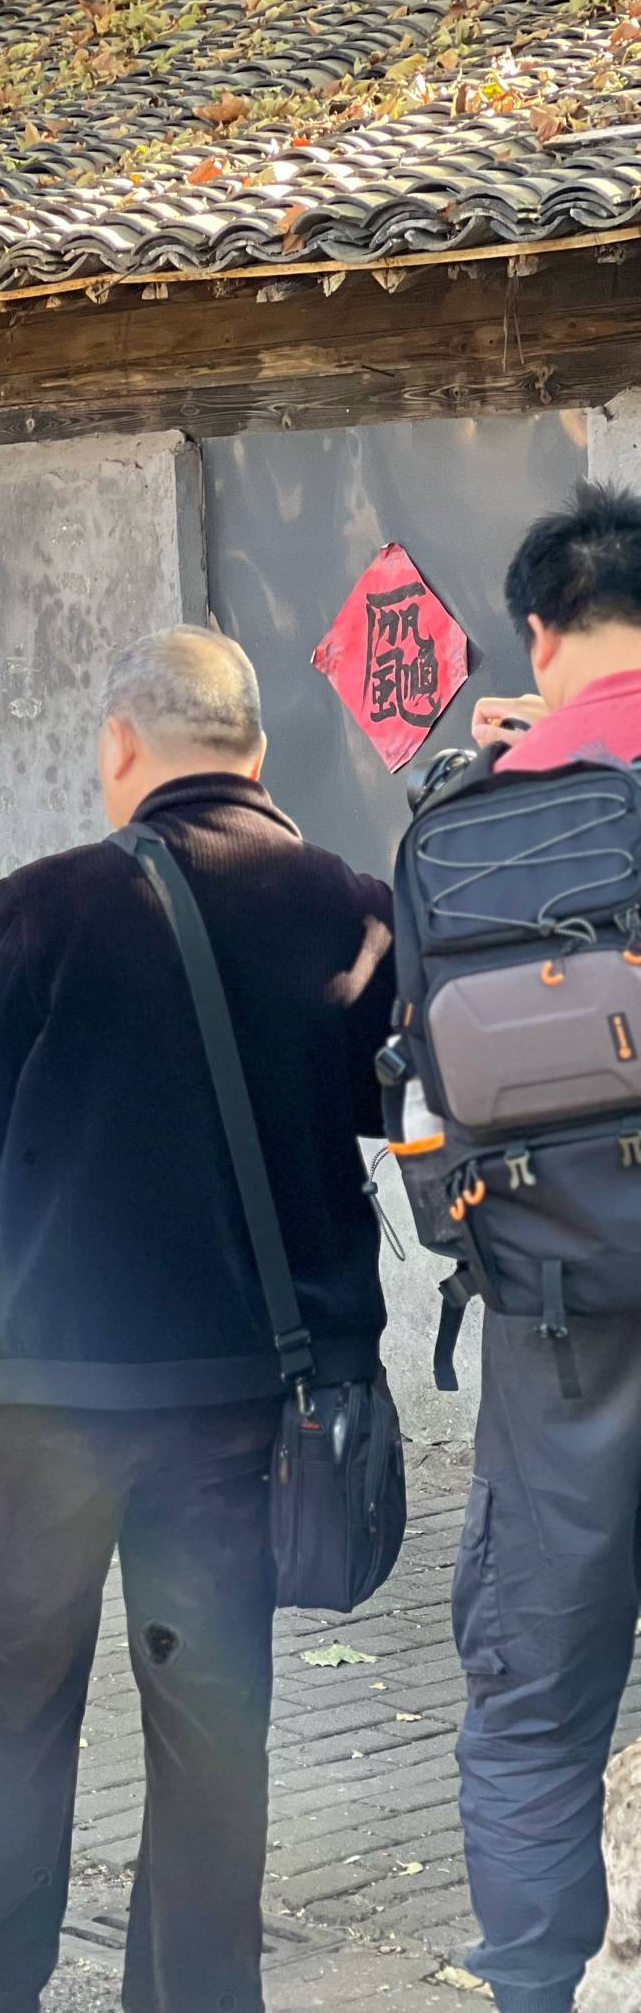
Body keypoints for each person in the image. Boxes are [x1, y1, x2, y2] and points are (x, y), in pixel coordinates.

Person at [0, 625, 397, 2013]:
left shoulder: (45, 906)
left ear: (121, 746)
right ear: (257, 754)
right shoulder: (348, 909)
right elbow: (387, 1104)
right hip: (241, 1411)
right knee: (213, 1737)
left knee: (5, 1717)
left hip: (39, 1403)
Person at [432, 483, 641, 2013]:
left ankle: (531, 1991)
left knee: (535, 1709)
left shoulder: (476, 817)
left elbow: (412, 1089)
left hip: (557, 1325)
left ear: (536, 631)